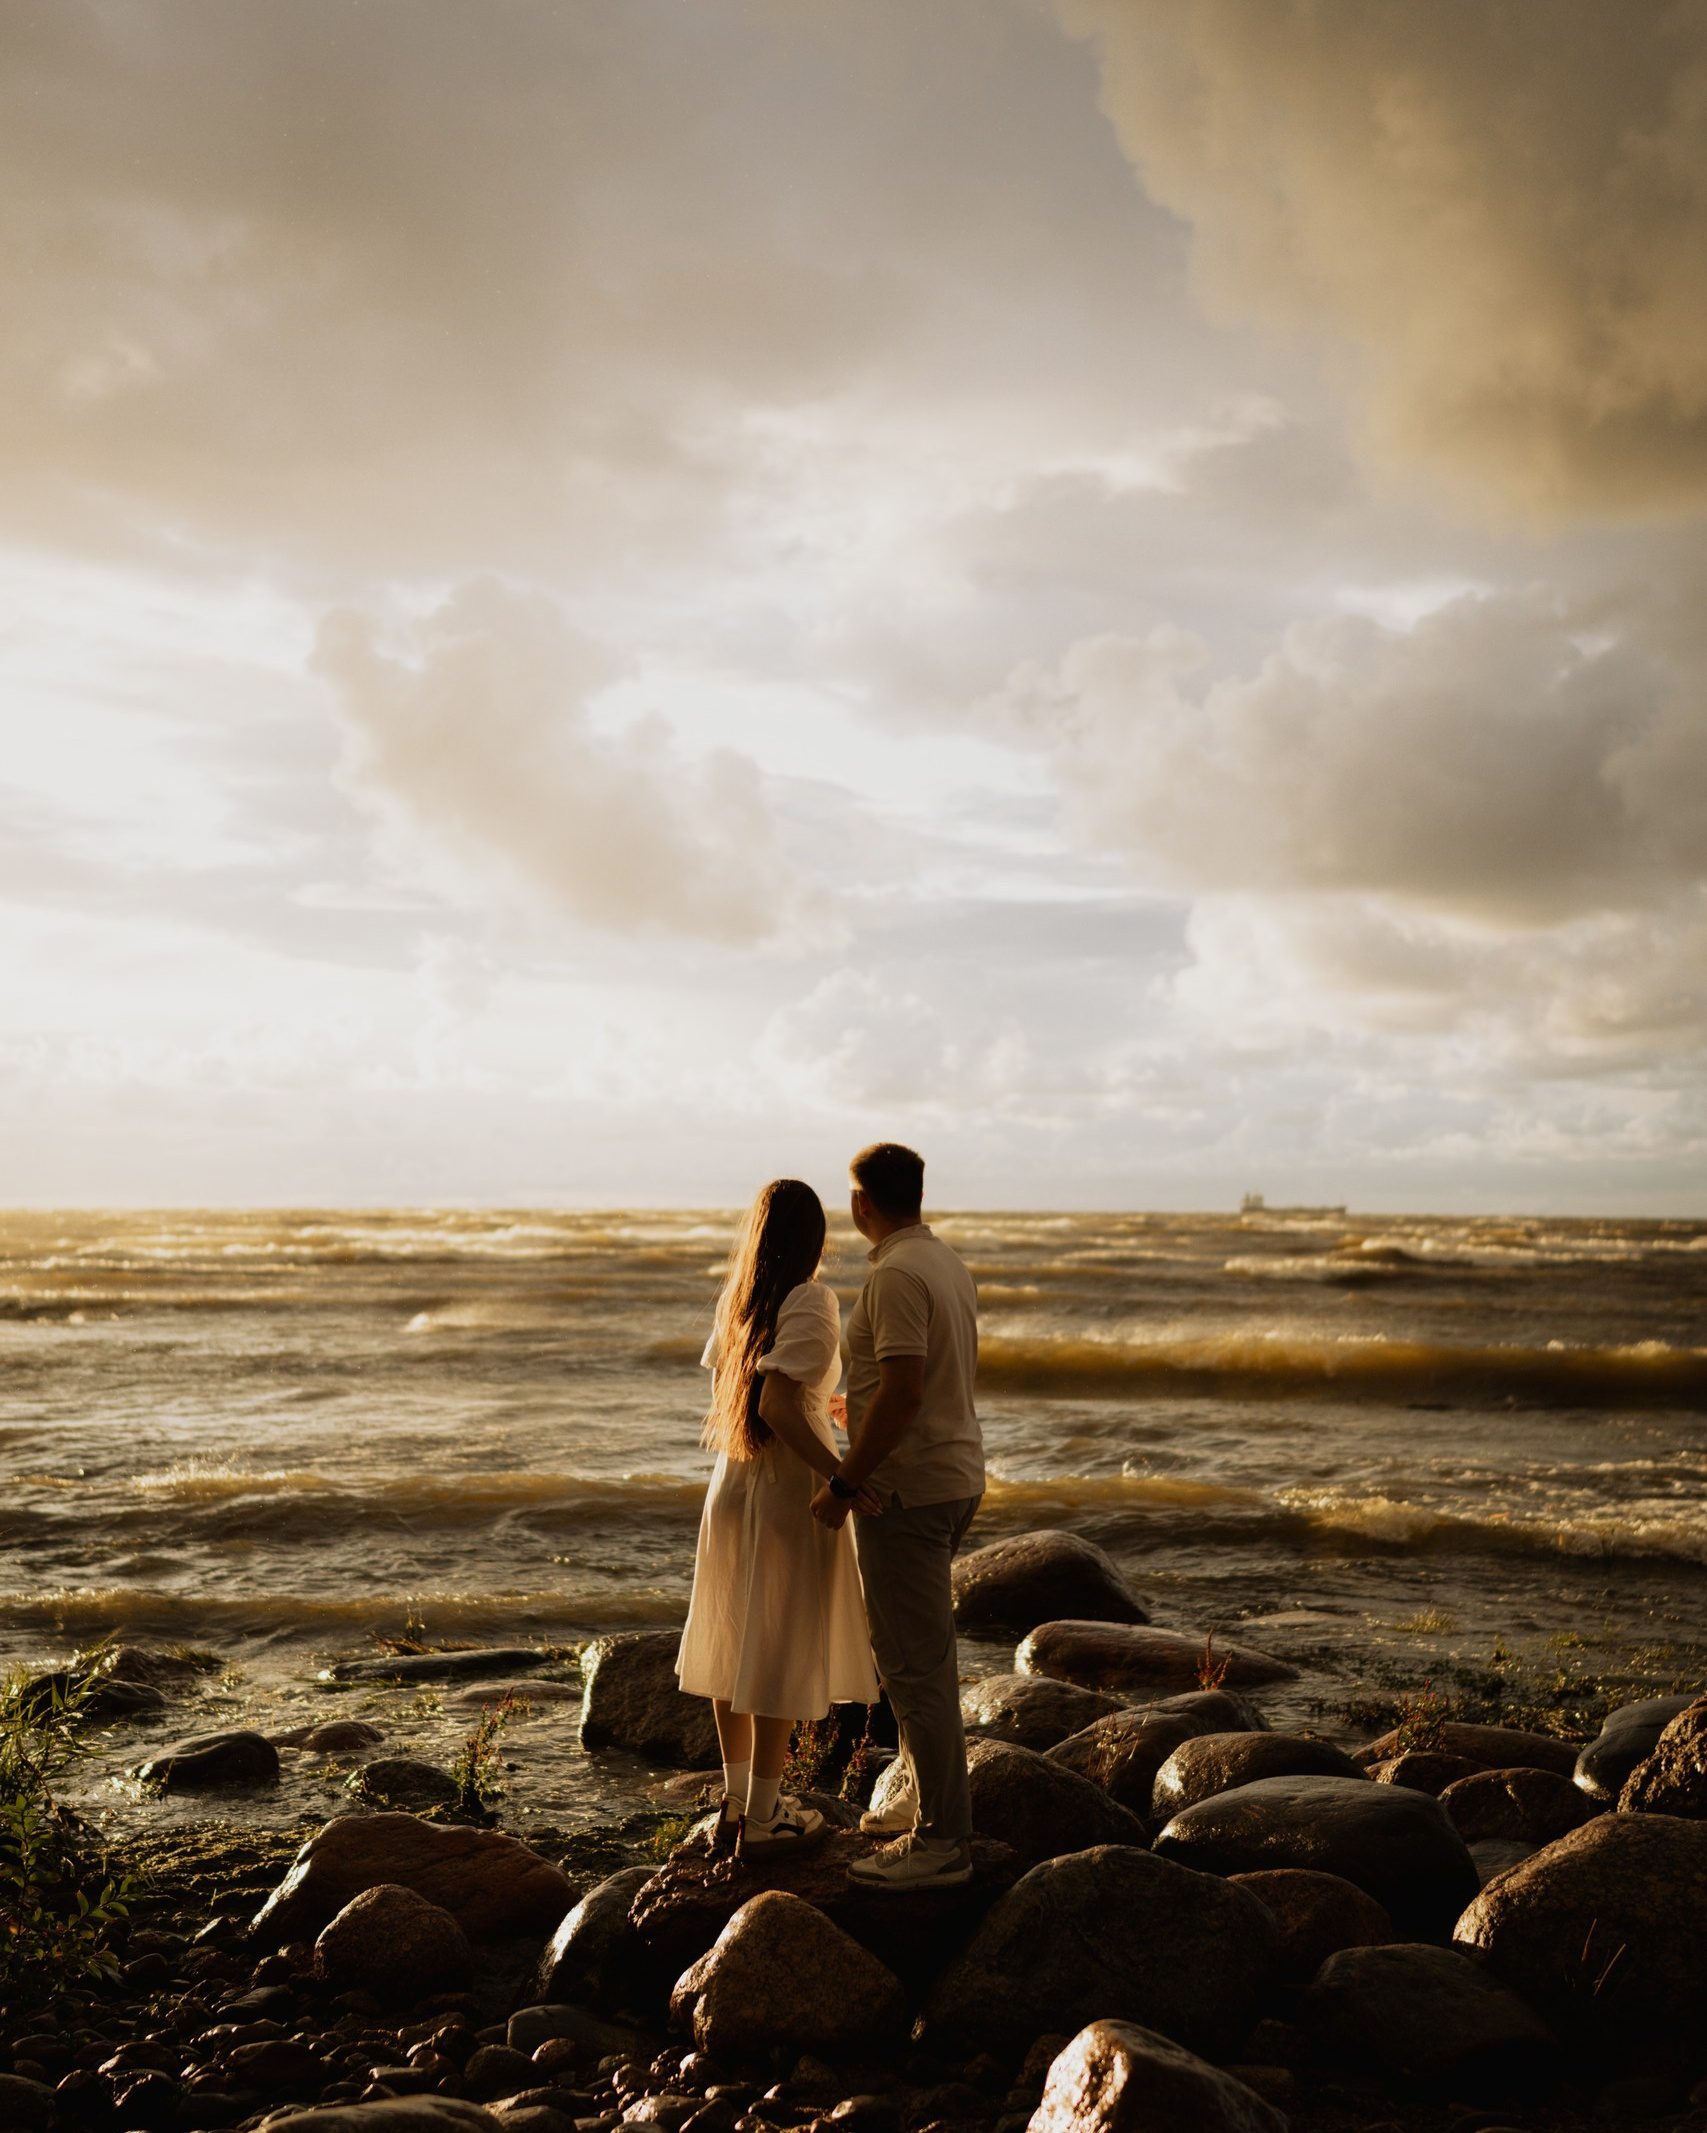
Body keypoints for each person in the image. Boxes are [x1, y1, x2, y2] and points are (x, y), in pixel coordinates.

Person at [676, 1177, 882, 1856]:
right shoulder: (813, 1298)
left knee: (734, 1641)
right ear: (814, 1238)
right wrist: (839, 1474)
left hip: (731, 1484)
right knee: (779, 1647)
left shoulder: (740, 1300)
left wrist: (827, 1404)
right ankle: (765, 1816)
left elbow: (747, 1394)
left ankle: (736, 1806)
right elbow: (774, 1404)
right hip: (787, 1491)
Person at [810, 1142, 983, 1889]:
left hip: (906, 1489)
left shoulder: (894, 1275)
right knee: (912, 1653)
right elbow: (912, 1383)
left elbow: (907, 1393)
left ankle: (944, 1840)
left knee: (915, 1666)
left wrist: (845, 1479)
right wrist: (859, 1409)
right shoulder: (943, 1261)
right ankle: (916, 1789)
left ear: (860, 1202)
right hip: (951, 1474)